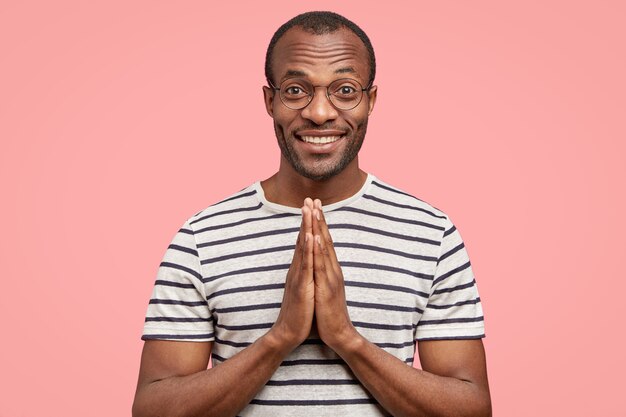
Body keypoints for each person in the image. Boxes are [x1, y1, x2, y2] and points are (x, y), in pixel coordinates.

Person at [133, 11, 491, 417]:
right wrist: (281, 337)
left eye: (344, 89)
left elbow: (471, 410)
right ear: (270, 101)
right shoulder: (202, 238)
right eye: (296, 89)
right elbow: (153, 410)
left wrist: (346, 338)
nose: (319, 112)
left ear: (370, 101)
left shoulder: (431, 234)